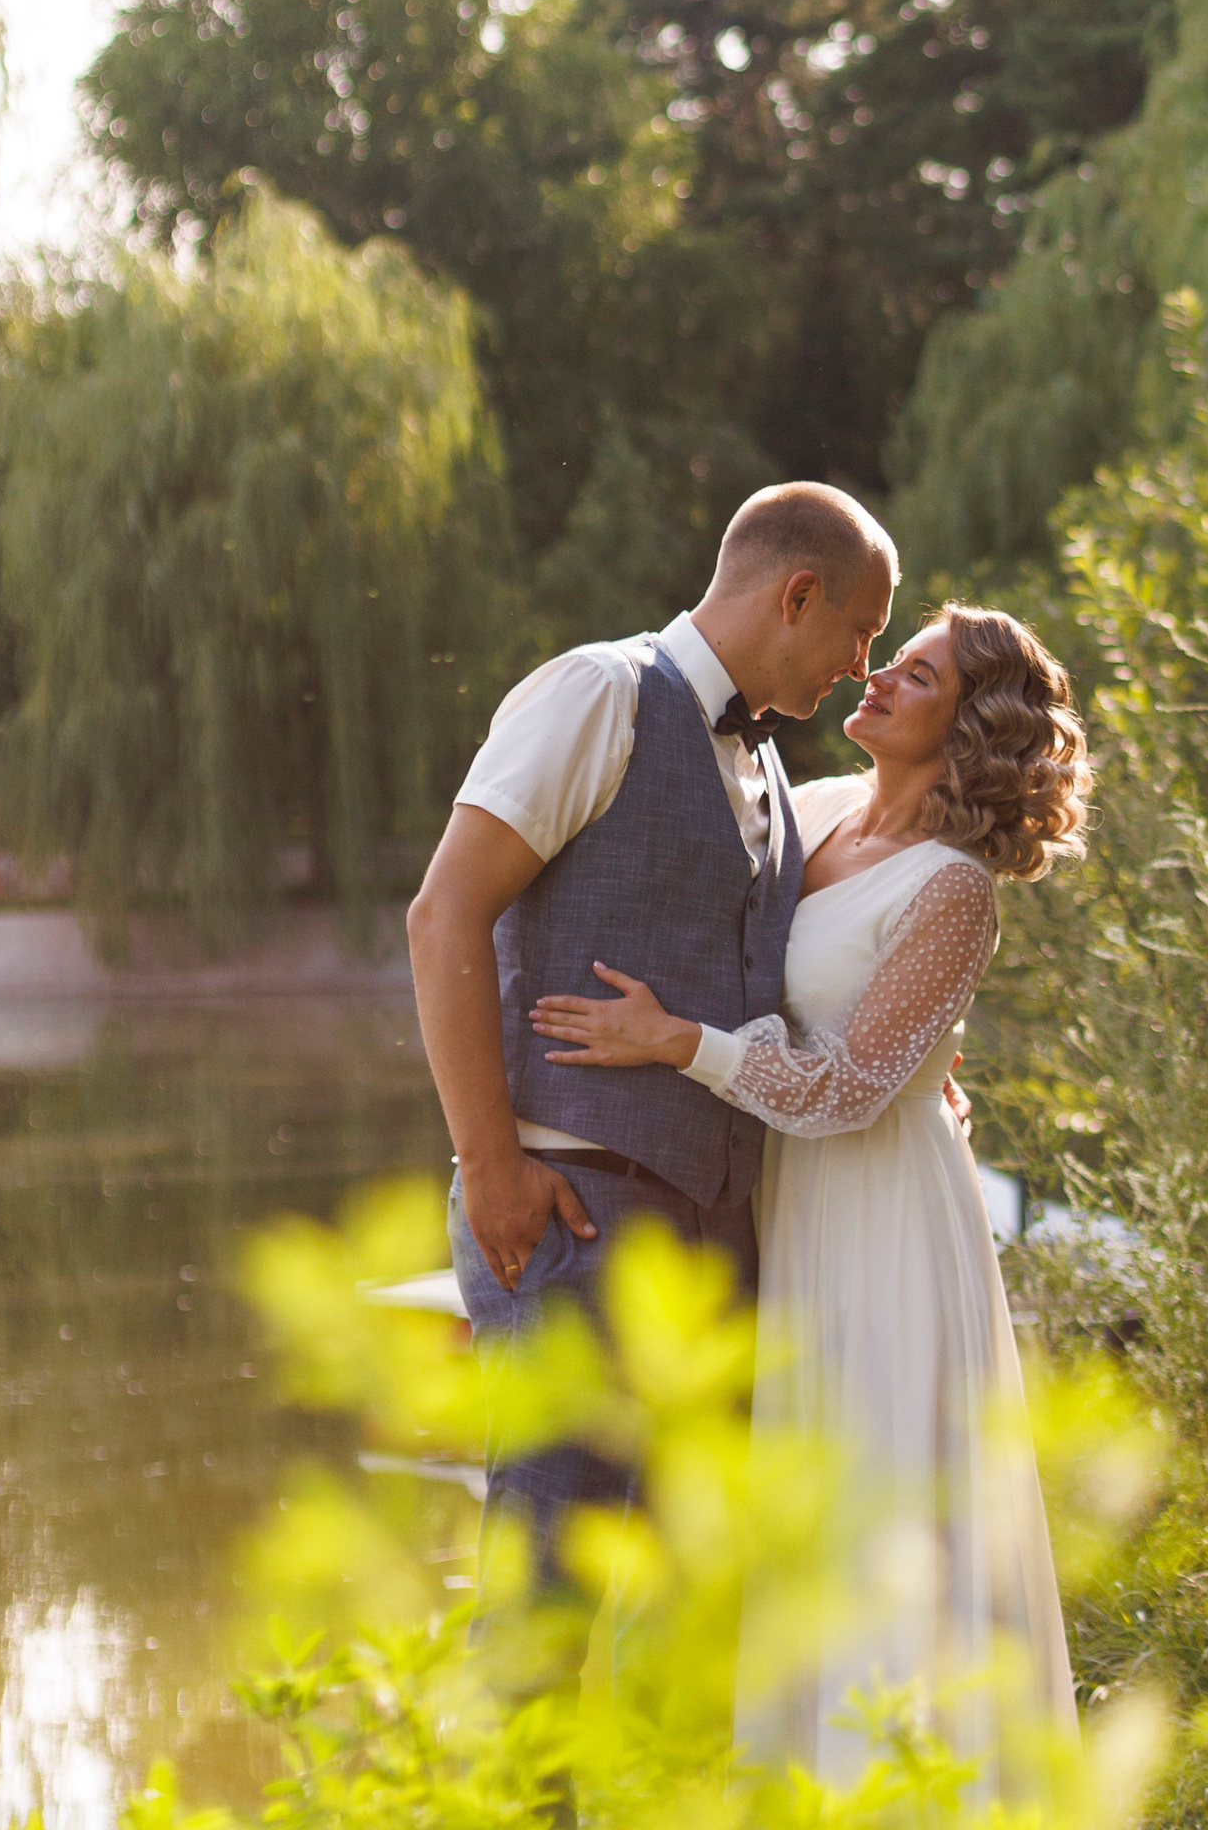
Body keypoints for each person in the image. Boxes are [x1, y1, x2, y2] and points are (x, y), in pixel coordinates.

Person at [526, 603, 1092, 1797]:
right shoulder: (817, 805)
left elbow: (844, 1088)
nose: (875, 675)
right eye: (889, 656)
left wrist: (677, 1042)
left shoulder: (954, 887)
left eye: (917, 671)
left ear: (970, 724)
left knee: (878, 1499)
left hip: (878, 1215)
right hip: (775, 1199)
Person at [407, 481, 897, 1603]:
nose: (861, 667)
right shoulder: (601, 692)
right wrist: (492, 1168)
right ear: (798, 593)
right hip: (572, 1214)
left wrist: (905, 1067)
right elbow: (443, 915)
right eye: (859, 632)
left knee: (688, 1619)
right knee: (547, 1597)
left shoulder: (768, 767)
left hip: (717, 1236)